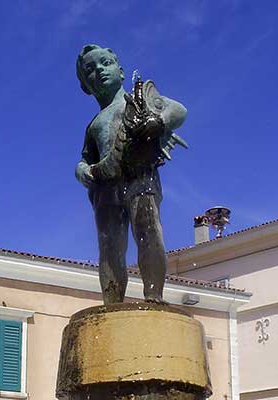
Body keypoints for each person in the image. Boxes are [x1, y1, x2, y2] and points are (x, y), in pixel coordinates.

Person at [75, 44, 187, 304]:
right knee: (109, 245)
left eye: (105, 63)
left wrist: (159, 122)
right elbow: (85, 158)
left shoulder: (139, 99)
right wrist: (81, 170)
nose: (99, 71)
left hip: (141, 176)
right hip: (105, 187)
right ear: (85, 86)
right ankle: (112, 303)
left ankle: (154, 295)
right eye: (90, 69)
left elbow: (178, 110)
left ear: (121, 72)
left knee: (148, 230)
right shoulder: (94, 125)